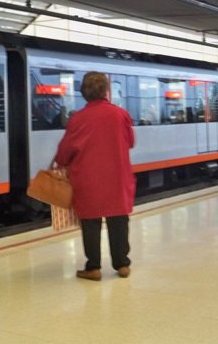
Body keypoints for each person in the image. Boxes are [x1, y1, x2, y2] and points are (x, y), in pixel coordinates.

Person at [54, 71, 136, 281]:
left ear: (83, 93)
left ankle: (94, 267)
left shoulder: (77, 119)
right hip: (117, 177)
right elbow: (130, 142)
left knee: (90, 221)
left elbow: (65, 151)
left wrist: (61, 162)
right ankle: (122, 264)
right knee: (118, 218)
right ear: (106, 91)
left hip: (88, 179)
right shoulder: (120, 114)